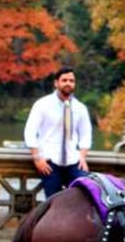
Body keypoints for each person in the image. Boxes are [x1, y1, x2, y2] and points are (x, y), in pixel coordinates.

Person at [25, 67, 91, 199]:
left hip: (73, 162)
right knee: (53, 202)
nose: (68, 83)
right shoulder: (43, 104)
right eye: (64, 80)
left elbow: (86, 134)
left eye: (71, 81)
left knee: (87, 192)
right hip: (50, 163)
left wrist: (82, 156)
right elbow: (30, 131)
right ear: (56, 83)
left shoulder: (80, 108)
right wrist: (37, 158)